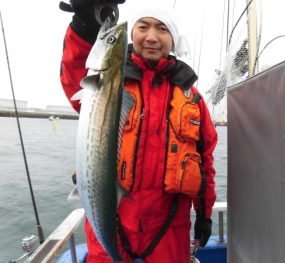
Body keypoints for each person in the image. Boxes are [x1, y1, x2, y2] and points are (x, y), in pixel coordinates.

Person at [59, 1, 218, 262]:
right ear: (132, 34)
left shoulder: (194, 101)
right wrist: (85, 25)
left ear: (173, 40)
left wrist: (204, 215)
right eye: (143, 26)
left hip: (169, 234)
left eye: (162, 29)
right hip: (111, 222)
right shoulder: (106, 84)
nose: (152, 37)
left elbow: (206, 164)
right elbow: (74, 73)